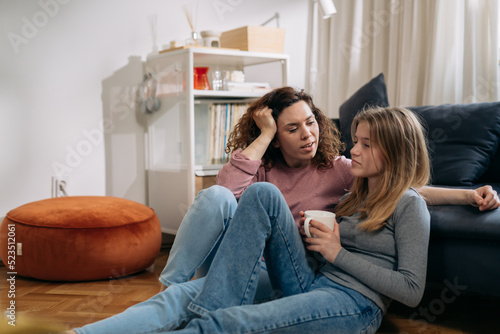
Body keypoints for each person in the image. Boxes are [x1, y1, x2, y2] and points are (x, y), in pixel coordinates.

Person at [69, 89, 499, 334]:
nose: (351, 149)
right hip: (306, 276)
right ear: (277, 136)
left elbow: (410, 212)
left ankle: (208, 321)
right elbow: (226, 194)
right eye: (293, 128)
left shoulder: (354, 178)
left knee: (229, 322)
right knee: (244, 208)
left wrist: (466, 195)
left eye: (365, 144)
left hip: (351, 299)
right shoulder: (357, 188)